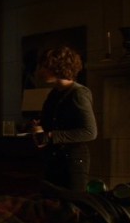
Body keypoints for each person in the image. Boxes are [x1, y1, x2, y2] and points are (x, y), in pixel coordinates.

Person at [32, 46, 97, 192]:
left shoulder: (78, 93)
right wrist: (39, 126)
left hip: (72, 162)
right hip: (53, 159)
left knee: (71, 203)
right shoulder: (54, 93)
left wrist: (51, 136)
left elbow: (90, 132)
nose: (40, 71)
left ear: (57, 67)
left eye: (43, 66)